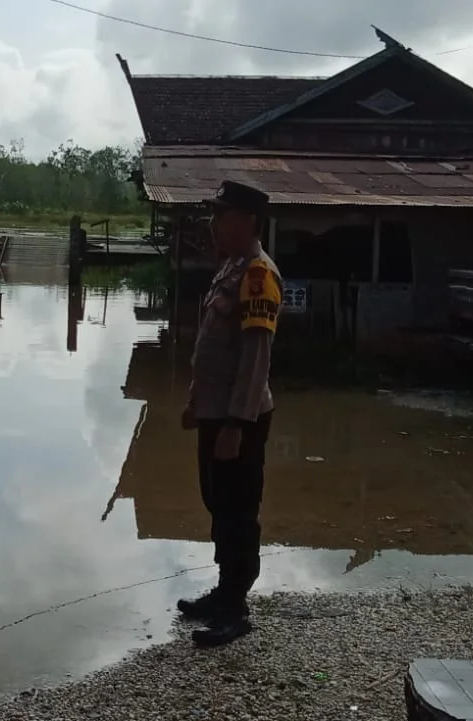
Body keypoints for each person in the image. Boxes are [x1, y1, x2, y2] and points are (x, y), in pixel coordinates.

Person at [177, 180, 282, 647]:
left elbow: (254, 359)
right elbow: (213, 350)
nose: (215, 223)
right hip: (216, 413)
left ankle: (236, 609)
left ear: (249, 221)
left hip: (240, 419)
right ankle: (223, 592)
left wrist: (236, 425)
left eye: (223, 215)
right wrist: (196, 403)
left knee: (239, 510)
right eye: (215, 215)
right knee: (217, 504)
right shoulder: (230, 270)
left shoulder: (258, 275)